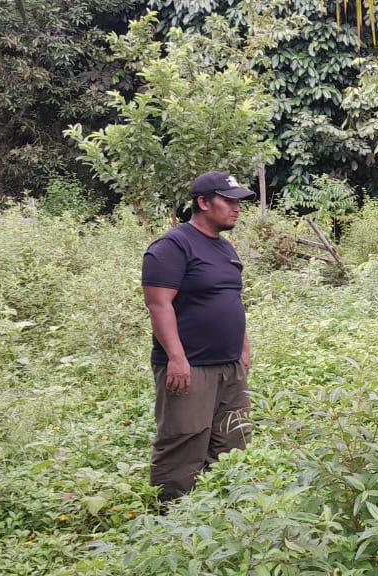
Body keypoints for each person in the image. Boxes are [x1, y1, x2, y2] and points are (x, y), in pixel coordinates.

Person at [141, 171, 253, 502]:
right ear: (203, 202)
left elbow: (232, 299)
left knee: (233, 441)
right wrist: (177, 357)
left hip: (229, 367)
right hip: (191, 367)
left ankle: (228, 518)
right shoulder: (172, 246)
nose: (237, 209)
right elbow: (159, 304)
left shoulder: (224, 249)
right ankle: (173, 523)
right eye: (229, 201)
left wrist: (243, 348)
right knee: (183, 444)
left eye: (239, 202)